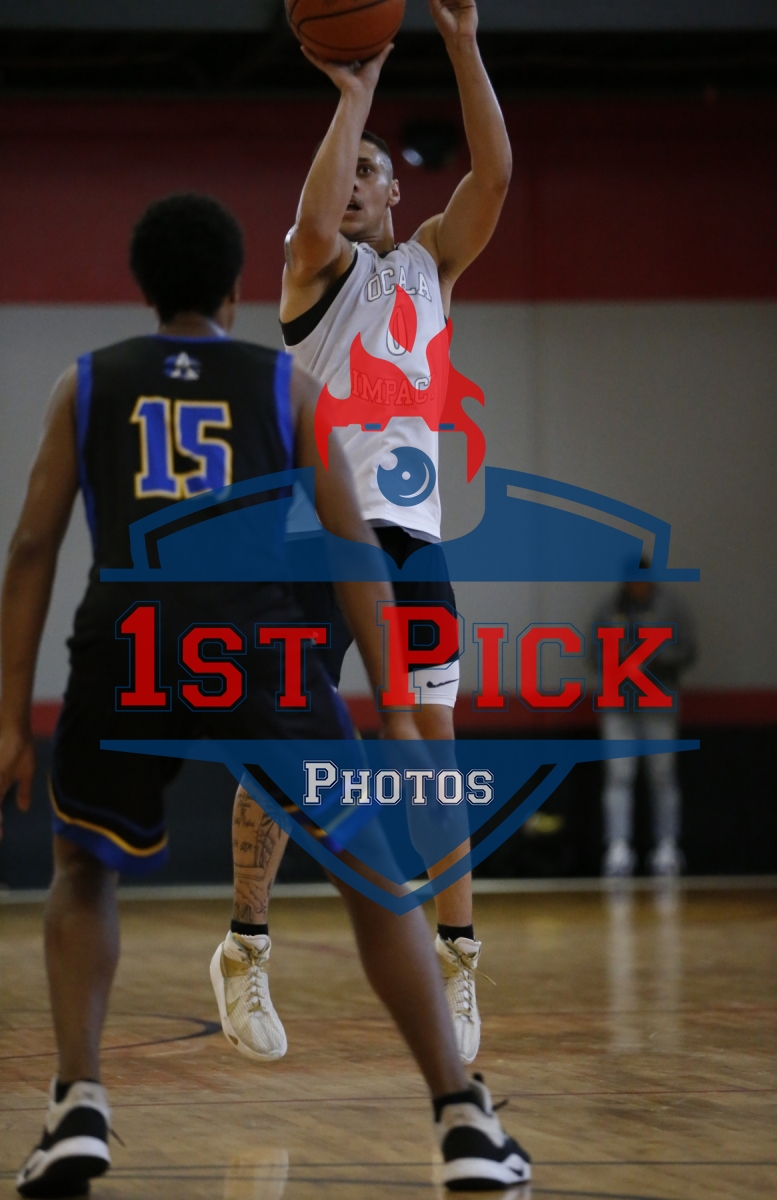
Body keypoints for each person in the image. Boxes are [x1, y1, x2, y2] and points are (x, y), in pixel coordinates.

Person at [0, 194, 530, 1196]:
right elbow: (354, 548)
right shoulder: (285, 384)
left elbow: (31, 547)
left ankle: (77, 1104)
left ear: (144, 289)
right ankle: (462, 1115)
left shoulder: (87, 383)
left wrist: (7, 719)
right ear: (236, 293)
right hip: (251, 642)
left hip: (129, 640)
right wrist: (395, 706)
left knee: (84, 868)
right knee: (370, 869)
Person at [214, 0, 512, 1069]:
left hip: (411, 542)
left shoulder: (431, 265)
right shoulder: (312, 273)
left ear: (396, 193)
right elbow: (309, 218)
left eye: (368, 170)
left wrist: (463, 41)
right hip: (312, 539)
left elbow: (494, 179)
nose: (349, 182)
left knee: (431, 750)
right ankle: (245, 947)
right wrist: (354, 93)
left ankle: (458, 958)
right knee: (284, 746)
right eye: (341, 169)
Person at [593, 576, 697, 877]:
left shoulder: (670, 607)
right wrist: (621, 658)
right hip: (619, 705)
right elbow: (592, 652)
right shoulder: (610, 608)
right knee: (618, 777)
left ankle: (667, 846)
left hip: (658, 705)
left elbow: (688, 649)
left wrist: (655, 654)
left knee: (662, 776)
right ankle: (618, 847)